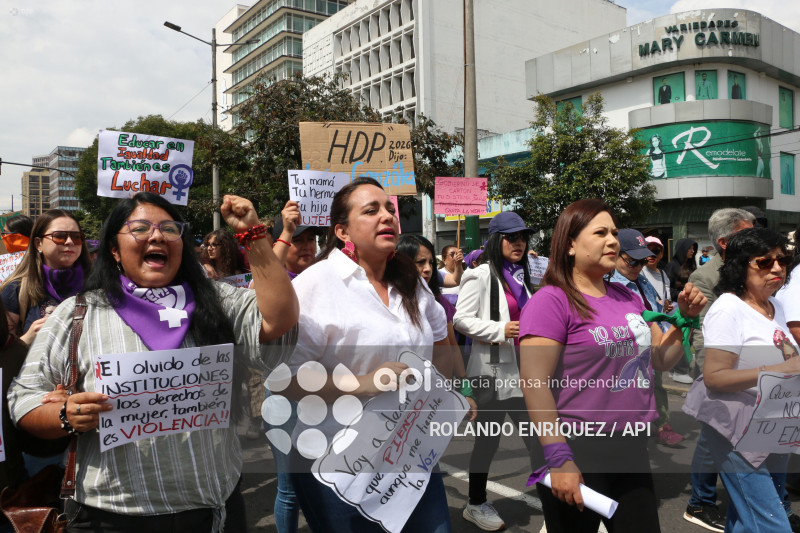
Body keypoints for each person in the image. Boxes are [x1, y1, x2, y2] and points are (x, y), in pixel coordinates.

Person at [8, 192, 298, 532]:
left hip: (212, 511)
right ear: (114, 250)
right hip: (111, 516)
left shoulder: (218, 301)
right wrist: (66, 414)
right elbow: (23, 398)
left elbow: (278, 321)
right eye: (140, 228)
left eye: (169, 228)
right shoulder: (77, 314)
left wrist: (254, 235)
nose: (157, 236)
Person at [518, 199, 706, 533]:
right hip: (576, 447)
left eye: (615, 233)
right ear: (571, 244)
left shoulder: (628, 298)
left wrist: (684, 321)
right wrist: (560, 458)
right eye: (601, 232)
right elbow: (534, 383)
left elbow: (660, 359)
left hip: (631, 445)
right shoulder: (550, 301)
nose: (613, 241)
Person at [284, 177, 453, 533]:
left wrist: (457, 394)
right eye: (371, 210)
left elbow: (441, 339)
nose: (387, 216)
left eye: (389, 209)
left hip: (411, 455)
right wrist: (362, 383)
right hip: (334, 463)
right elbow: (286, 381)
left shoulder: (412, 280)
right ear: (342, 231)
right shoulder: (313, 285)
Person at [683, 227, 800, 533]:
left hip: (774, 425)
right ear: (740, 264)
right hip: (739, 429)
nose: (777, 268)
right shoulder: (728, 309)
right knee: (771, 524)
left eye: (782, 260)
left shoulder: (777, 306)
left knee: (746, 518)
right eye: (764, 262)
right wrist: (785, 370)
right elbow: (715, 378)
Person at [453, 211, 542, 531]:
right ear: (497, 240)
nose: (519, 243)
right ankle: (475, 503)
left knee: (537, 437)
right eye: (512, 237)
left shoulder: (523, 277)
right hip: (490, 374)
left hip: (523, 373)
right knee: (488, 442)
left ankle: (549, 492)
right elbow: (460, 320)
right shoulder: (479, 276)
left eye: (522, 237)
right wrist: (501, 329)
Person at [682, 207, 754, 532]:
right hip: (721, 372)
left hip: (751, 371)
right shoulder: (705, 278)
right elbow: (704, 333)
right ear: (725, 242)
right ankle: (700, 502)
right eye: (747, 233)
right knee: (713, 436)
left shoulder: (754, 271)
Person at [608, 229, 684, 447]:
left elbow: (654, 311)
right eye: (632, 262)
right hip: (626, 359)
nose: (639, 267)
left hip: (651, 350)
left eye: (642, 261)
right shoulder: (610, 286)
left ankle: (655, 428)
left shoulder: (643, 280)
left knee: (653, 391)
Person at [396, 234, 477, 419]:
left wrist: (463, 389)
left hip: (426, 400)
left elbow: (450, 349)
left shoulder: (437, 305)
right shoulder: (380, 299)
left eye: (431, 263)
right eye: (420, 262)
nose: (427, 269)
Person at [1, 210, 91, 347]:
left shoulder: (99, 284)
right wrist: (27, 339)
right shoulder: (16, 289)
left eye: (76, 237)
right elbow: (4, 352)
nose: (69, 242)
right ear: (38, 243)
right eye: (59, 236)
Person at [664, 237, 698, 384]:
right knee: (681, 339)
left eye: (694, 248)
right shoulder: (671, 266)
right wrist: (682, 294)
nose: (693, 251)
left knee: (687, 339)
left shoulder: (692, 266)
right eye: (690, 248)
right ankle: (680, 370)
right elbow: (667, 289)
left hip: (690, 307)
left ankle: (674, 368)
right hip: (677, 307)